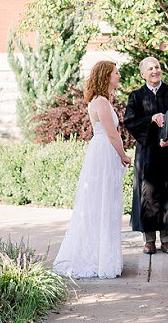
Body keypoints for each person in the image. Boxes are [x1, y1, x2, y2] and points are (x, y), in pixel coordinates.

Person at [53, 60, 132, 280]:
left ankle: (102, 255)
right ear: (106, 76)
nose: (118, 76)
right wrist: (123, 155)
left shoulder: (102, 100)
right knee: (103, 202)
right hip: (104, 151)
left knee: (105, 202)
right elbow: (112, 133)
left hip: (101, 150)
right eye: (116, 73)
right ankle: (97, 258)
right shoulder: (101, 102)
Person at [122, 56, 168, 255]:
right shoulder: (136, 96)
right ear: (143, 74)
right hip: (147, 152)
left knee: (167, 193)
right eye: (150, 68)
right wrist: (151, 119)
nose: (155, 71)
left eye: (157, 67)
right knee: (147, 194)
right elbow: (130, 121)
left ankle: (166, 240)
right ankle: (149, 240)